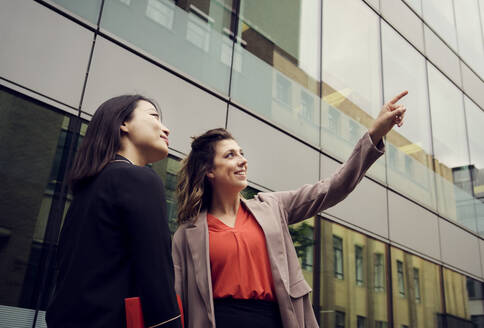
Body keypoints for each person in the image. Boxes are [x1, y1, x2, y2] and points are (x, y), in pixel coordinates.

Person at [172, 91, 408, 328]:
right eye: (230, 155)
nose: (242, 160)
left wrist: (375, 134)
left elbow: (333, 188)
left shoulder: (272, 207)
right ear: (209, 170)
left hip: (274, 320)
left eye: (242, 153)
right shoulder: (187, 233)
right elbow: (176, 300)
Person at [46, 95, 182, 328]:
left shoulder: (86, 190)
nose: (166, 129)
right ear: (123, 123)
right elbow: (156, 273)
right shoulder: (140, 179)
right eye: (154, 116)